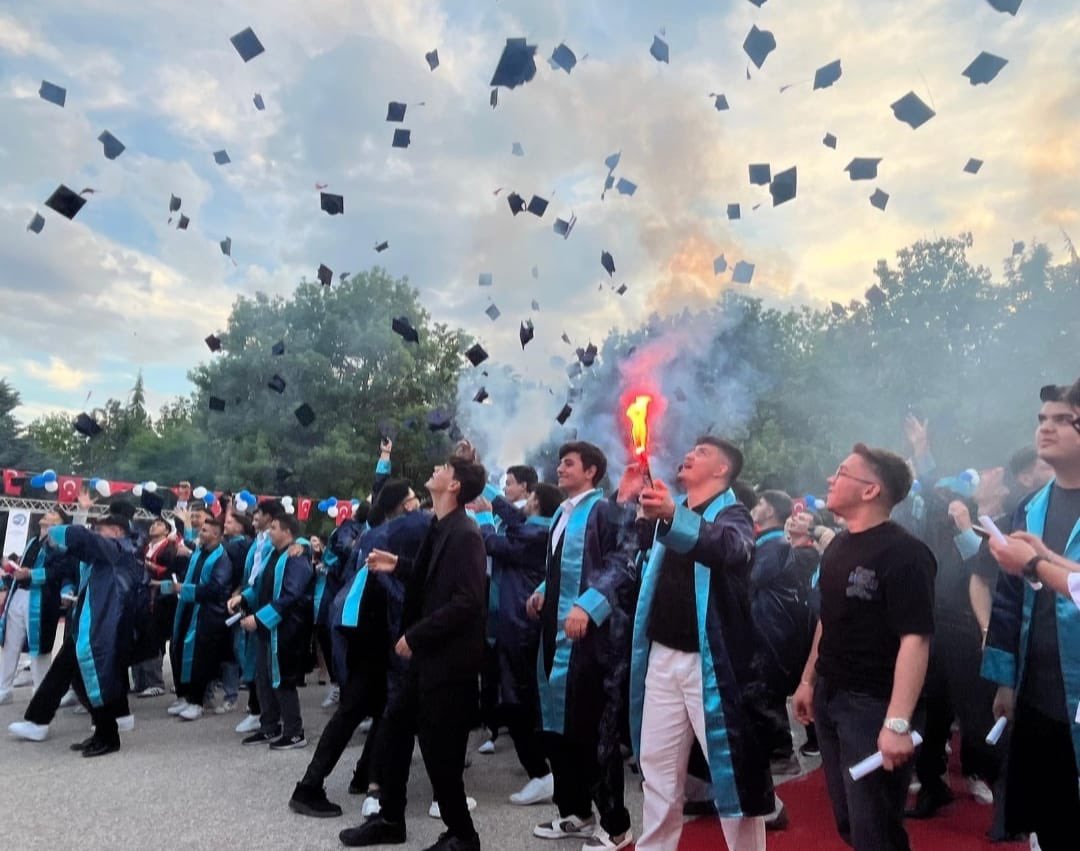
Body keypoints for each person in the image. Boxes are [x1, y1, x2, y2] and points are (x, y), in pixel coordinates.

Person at [626, 437, 773, 851]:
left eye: (703, 453)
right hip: (662, 657)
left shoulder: (735, 515)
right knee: (657, 771)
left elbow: (731, 549)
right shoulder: (673, 511)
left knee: (734, 776)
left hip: (713, 665)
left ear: (723, 470)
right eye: (689, 449)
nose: (689, 454)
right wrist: (643, 512)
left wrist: (671, 514)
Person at [793, 443, 936, 851]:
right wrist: (808, 680)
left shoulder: (906, 553)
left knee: (876, 830)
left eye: (841, 473)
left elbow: (916, 638)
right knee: (850, 824)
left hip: (873, 705)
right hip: (831, 696)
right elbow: (828, 620)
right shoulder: (837, 546)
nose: (830, 481)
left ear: (871, 490)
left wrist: (897, 723)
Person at [340, 456, 488, 851]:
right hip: (425, 661)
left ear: (454, 485)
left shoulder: (466, 533)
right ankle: (390, 819)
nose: (435, 468)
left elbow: (468, 601)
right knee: (392, 734)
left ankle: (462, 835)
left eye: (443, 468)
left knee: (441, 753)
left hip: (447, 662)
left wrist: (418, 635)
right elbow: (432, 579)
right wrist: (398, 565)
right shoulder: (439, 525)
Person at [979, 381, 1080, 851]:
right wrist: (1006, 680)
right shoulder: (1031, 507)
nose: (1047, 428)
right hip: (1041, 692)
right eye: (1043, 419)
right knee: (1051, 817)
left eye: (1062, 419)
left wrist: (1037, 563)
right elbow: (1008, 597)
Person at [528, 441, 637, 851]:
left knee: (593, 733)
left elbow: (624, 563)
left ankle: (616, 827)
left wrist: (589, 607)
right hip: (554, 636)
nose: (560, 468)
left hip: (591, 641)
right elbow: (559, 568)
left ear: (591, 471)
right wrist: (543, 590)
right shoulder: (562, 512)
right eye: (560, 462)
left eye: (569, 463)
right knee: (559, 731)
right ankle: (574, 812)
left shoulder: (606, 510)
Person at [9, 511, 141, 757]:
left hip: (102, 625)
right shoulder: (108, 552)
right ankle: (100, 728)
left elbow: (80, 537)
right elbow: (70, 551)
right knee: (76, 673)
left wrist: (59, 527)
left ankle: (108, 735)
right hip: (90, 623)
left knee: (97, 675)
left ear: (118, 531)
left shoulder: (117, 549)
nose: (98, 531)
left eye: (103, 527)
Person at [474, 479, 562, 806]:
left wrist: (484, 517)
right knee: (522, 699)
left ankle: (540, 774)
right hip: (516, 625)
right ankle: (543, 770)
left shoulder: (535, 534)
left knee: (518, 702)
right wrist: (483, 485)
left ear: (536, 502)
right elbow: (513, 519)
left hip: (519, 626)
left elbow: (494, 543)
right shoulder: (538, 528)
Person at [228, 513, 314, 750]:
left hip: (287, 628)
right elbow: (259, 587)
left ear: (288, 532)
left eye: (274, 527)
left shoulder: (296, 557)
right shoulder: (272, 555)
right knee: (263, 679)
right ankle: (269, 726)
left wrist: (260, 619)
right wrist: (243, 598)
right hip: (268, 628)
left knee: (282, 680)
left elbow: (291, 596)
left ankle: (295, 732)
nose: (269, 531)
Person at [156, 515, 233, 722]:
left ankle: (196, 701)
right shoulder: (199, 552)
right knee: (178, 649)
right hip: (189, 609)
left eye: (206, 531)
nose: (201, 533)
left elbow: (216, 590)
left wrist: (185, 589)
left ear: (216, 535)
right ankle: (183, 696)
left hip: (208, 614)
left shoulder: (221, 558)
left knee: (200, 658)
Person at [0, 508, 76, 703]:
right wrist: (13, 567)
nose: (47, 514)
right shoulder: (33, 541)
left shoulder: (61, 545)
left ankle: (41, 693)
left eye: (53, 514)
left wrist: (31, 574)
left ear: (60, 523)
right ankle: (4, 688)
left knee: (40, 649)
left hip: (42, 599)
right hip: (19, 595)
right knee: (10, 644)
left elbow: (59, 571)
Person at [233, 499, 284, 735]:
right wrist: (241, 595)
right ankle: (260, 711)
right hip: (252, 600)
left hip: (266, 606)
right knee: (253, 659)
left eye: (259, 513)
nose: (254, 516)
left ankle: (262, 712)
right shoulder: (259, 541)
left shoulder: (281, 544)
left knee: (265, 663)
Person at [131, 518, 177, 698]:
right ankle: (140, 681)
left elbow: (171, 572)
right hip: (142, 598)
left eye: (159, 524)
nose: (153, 526)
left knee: (154, 639)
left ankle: (155, 681)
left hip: (160, 599)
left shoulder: (170, 547)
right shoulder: (145, 546)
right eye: (153, 524)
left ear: (167, 531)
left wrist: (148, 566)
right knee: (139, 637)